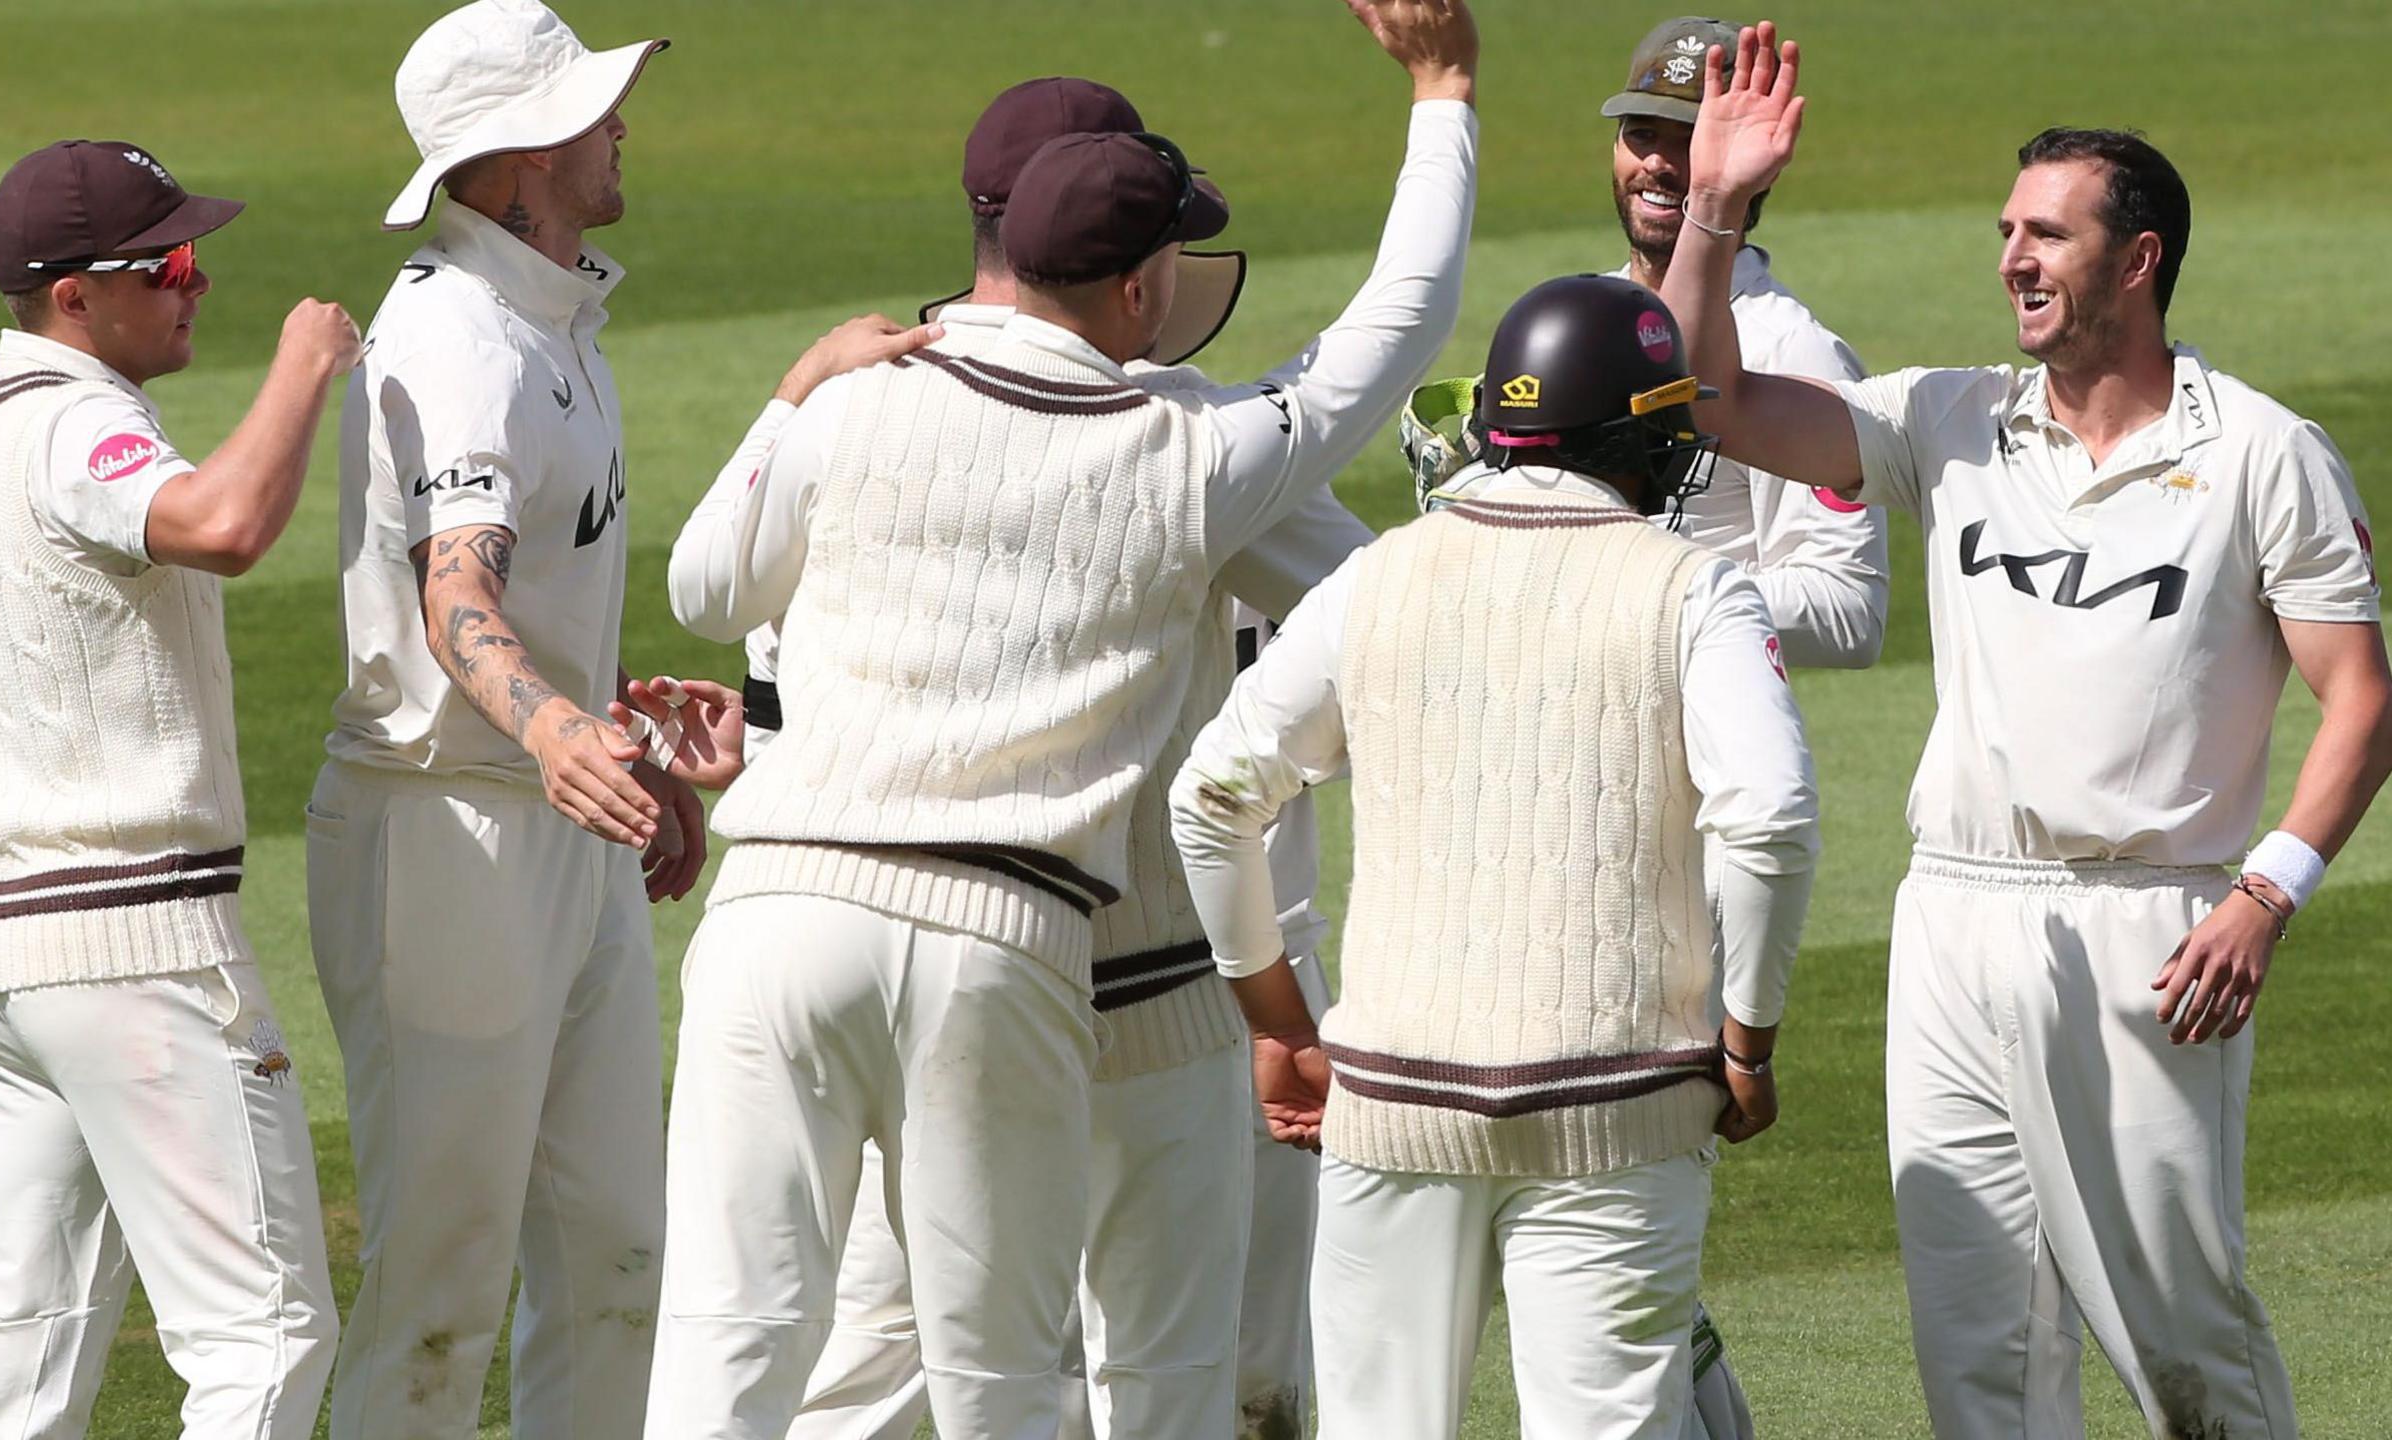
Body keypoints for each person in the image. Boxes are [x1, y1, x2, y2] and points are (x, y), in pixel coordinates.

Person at [649, 2, 1480, 1433]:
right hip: (1002, 936)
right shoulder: (1187, 453)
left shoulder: (856, 401)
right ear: (1145, 293)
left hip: (776, 910)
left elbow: (705, 585)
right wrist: (1442, 90)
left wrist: (793, 393)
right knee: (1003, 1382)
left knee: (731, 1347)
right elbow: (1391, 328)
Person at [1661, 24, 2392, 1438]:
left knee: (2181, 1331)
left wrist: (2267, 895)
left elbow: (2360, 696)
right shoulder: (1951, 419)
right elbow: (1713, 399)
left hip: (2155, 930)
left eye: (2048, 235)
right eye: (2007, 231)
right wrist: (1715, 212)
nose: (2012, 258)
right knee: (1978, 1340)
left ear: (2141, 259)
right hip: (1952, 919)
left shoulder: (2259, 452)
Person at [1171, 275, 1820, 1440]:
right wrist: (1748, 1042)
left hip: (1390, 1105)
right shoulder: (1696, 587)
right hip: (1617, 1118)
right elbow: (1767, 816)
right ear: (1640, 434)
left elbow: (1213, 798)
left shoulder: (1375, 576)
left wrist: (1276, 1021)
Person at [305, 3, 725, 1436]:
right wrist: (553, 735)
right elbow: (457, 593)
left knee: (617, 1255)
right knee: (440, 1282)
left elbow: (521, 606)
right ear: (513, 164)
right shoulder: (460, 339)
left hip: (547, 819)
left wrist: (618, 746)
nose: (619, 120)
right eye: (587, 108)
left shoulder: (552, 320)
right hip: (446, 838)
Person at [0, 138, 358, 1439]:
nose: (195, 284)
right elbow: (221, 526)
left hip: (3, 963)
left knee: (32, 1355)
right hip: (135, 959)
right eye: (165, 265)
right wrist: (305, 366)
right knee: (266, 1337)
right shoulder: (79, 422)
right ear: (75, 297)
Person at [1600, 14, 1884, 668]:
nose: (1661, 165)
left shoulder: (1793, 349)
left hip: (1697, 745)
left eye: (1693, 139)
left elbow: (1850, 609)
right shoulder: (1586, 319)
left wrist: (1638, 597)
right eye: (1641, 133)